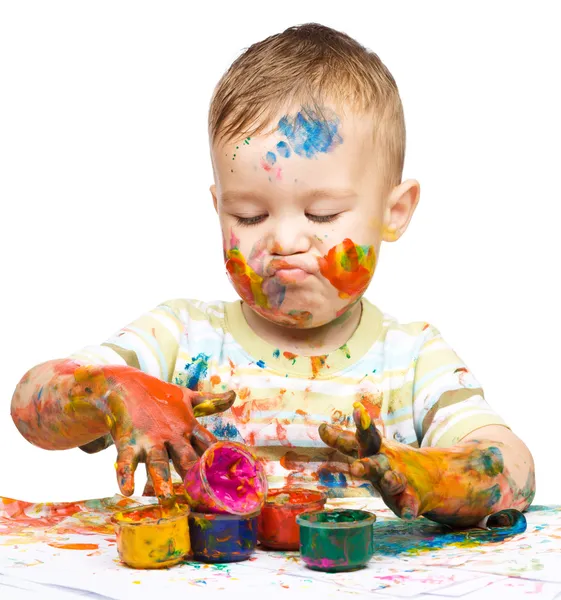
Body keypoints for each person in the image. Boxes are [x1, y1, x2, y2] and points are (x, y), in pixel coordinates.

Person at [11, 23, 535, 527]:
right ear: (218, 208)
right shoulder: (180, 338)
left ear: (394, 212)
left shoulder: (415, 358)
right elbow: (29, 404)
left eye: (323, 214)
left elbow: (513, 467)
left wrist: (431, 473)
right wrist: (111, 390)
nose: (284, 242)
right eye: (250, 216)